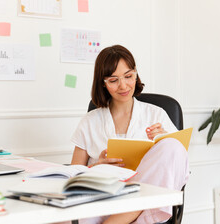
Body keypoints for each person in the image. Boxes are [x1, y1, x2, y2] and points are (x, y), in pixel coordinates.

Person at [70, 45, 189, 224]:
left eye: (128, 76)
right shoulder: (90, 121)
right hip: (103, 200)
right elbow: (72, 178)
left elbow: (178, 166)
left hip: (144, 204)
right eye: (113, 80)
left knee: (172, 146)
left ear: (135, 74)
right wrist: (96, 168)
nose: (123, 86)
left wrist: (164, 140)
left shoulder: (157, 114)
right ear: (103, 82)